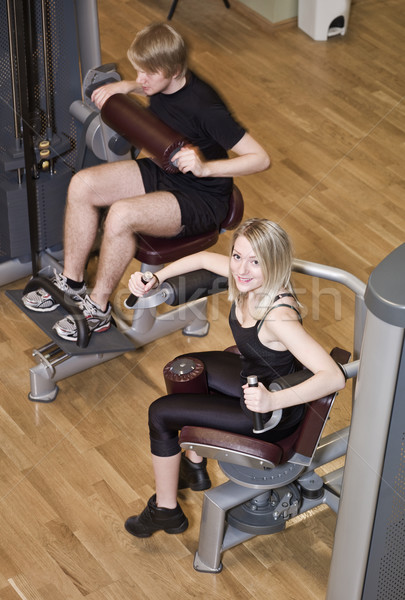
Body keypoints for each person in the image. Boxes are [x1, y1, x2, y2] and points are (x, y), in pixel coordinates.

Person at [22, 22, 269, 341]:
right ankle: (72, 282)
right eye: (139, 72)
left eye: (148, 74)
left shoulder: (206, 107)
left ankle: (97, 310)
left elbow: (261, 158)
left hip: (201, 197)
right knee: (82, 184)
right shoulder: (160, 82)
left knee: (121, 215)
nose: (142, 80)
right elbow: (149, 85)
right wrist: (126, 86)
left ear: (175, 69)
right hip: (165, 171)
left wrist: (205, 167)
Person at [123, 218, 346, 537]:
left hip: (267, 413)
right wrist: (155, 277)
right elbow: (201, 259)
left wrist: (272, 400)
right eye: (237, 256)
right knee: (187, 367)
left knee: (159, 413)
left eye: (255, 261)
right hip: (252, 376)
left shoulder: (278, 317)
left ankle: (166, 510)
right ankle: (195, 462)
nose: (242, 269)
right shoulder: (244, 277)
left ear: (275, 264)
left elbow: (333, 377)